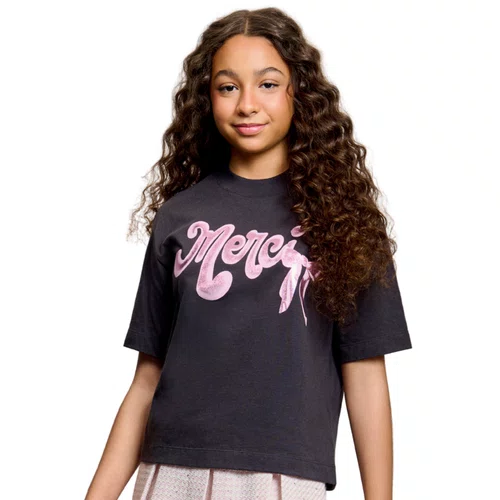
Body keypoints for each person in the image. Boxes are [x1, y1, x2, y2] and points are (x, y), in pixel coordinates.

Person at [85, 7, 412, 500]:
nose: (247, 104)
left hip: (283, 477)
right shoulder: (178, 217)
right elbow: (147, 379)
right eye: (228, 87)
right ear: (208, 98)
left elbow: (365, 375)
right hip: (170, 470)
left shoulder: (345, 222)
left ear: (299, 91)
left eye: (268, 84)